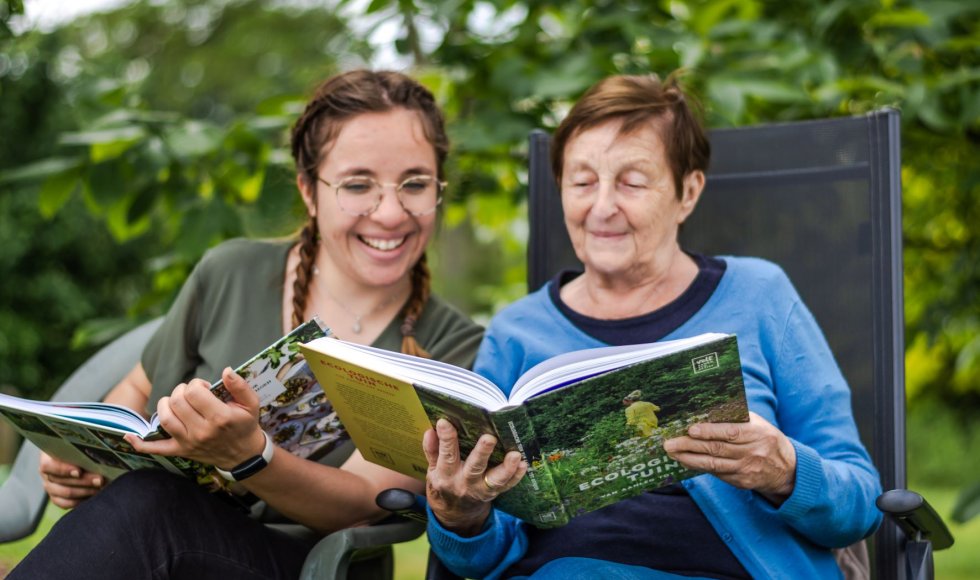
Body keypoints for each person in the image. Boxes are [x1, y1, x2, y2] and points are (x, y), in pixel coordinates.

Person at [12, 69, 483, 579]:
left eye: (414, 183)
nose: (390, 212)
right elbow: (134, 389)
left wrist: (251, 457)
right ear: (309, 191)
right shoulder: (230, 272)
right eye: (358, 184)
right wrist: (87, 462)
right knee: (146, 500)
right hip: (162, 541)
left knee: (151, 505)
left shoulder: (454, 345)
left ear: (439, 188)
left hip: (314, 566)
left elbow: (365, 503)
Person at [422, 73, 882, 579]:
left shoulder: (761, 296)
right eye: (581, 182)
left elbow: (860, 503)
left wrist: (784, 470)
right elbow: (479, 558)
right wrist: (461, 515)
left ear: (688, 192)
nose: (601, 207)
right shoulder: (516, 332)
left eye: (632, 182)